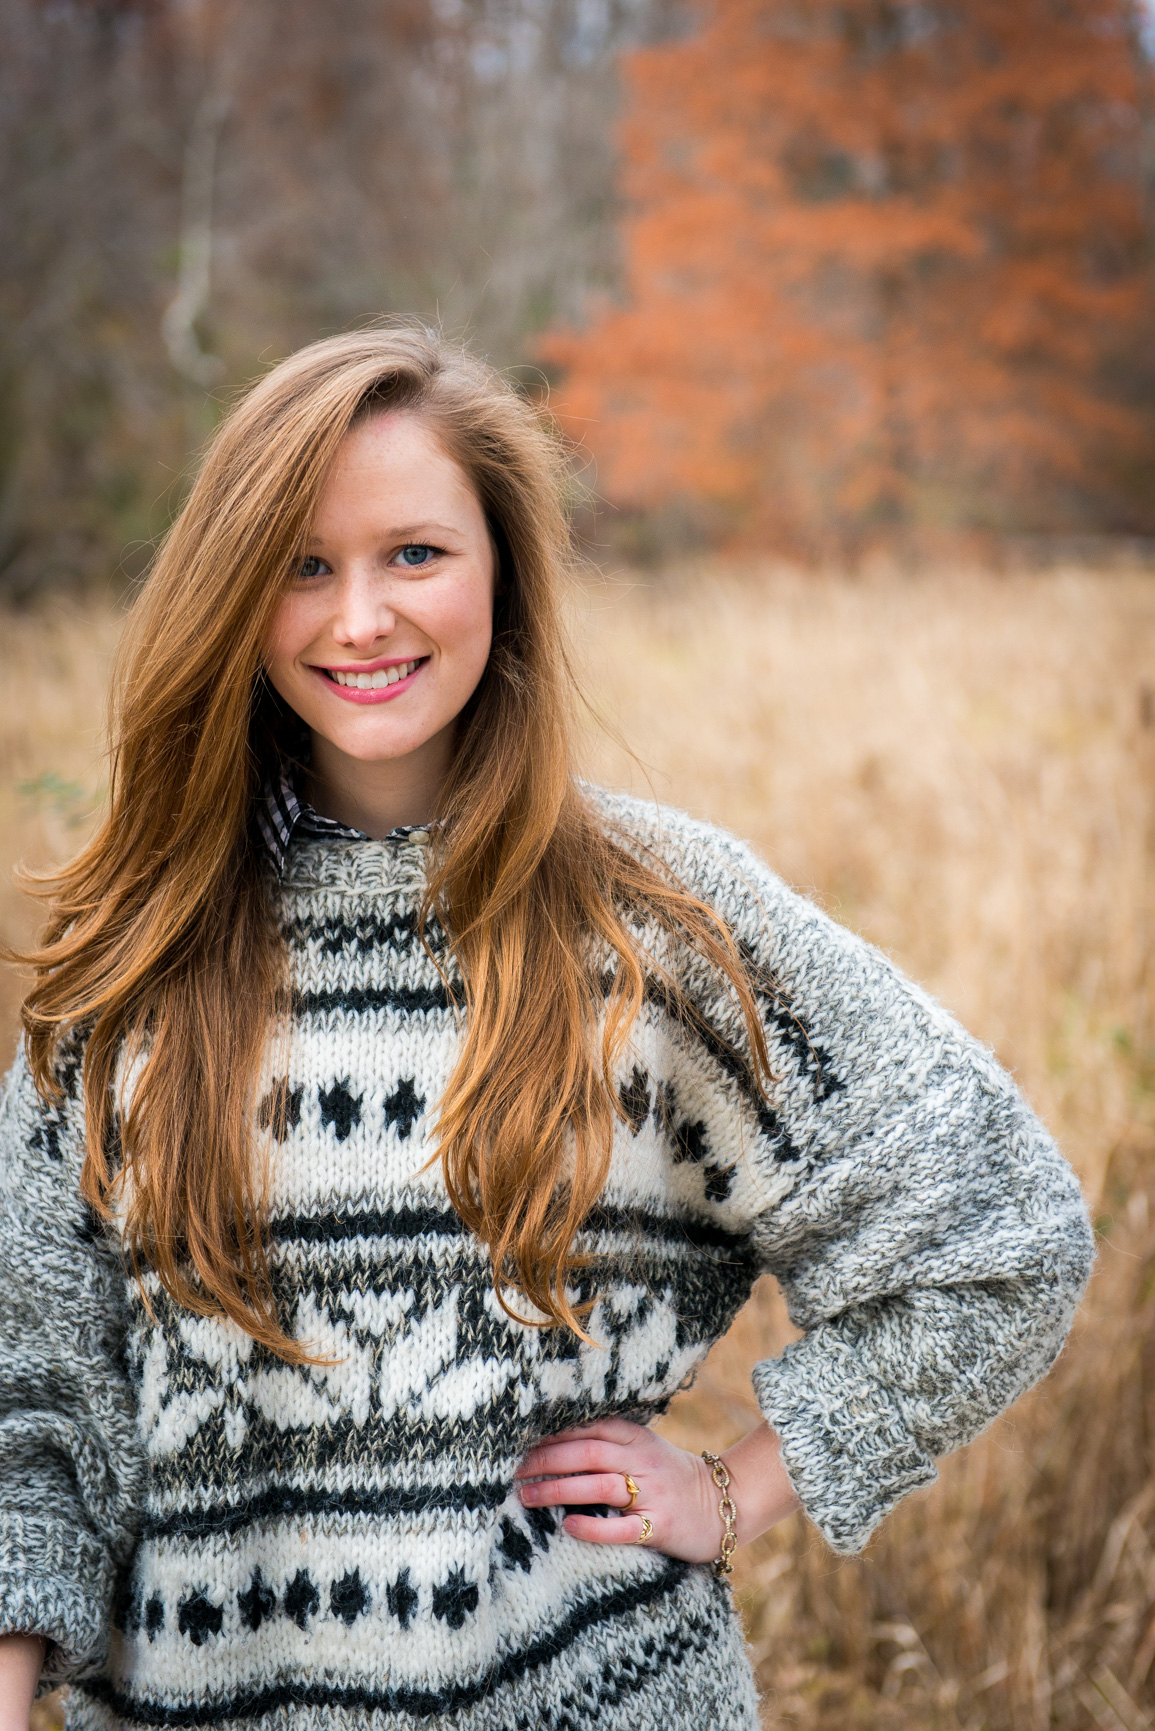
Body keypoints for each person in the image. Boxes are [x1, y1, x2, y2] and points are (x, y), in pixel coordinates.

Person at [0, 327, 1093, 1731]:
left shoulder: (660, 922)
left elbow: (1000, 1231)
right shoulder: (137, 957)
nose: (359, 620)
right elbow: (27, 1411)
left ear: (504, 573)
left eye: (415, 554)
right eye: (303, 566)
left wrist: (732, 1488)